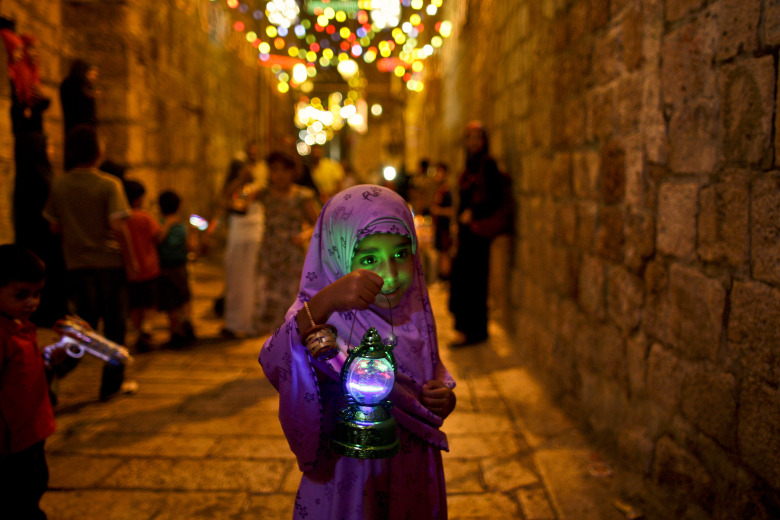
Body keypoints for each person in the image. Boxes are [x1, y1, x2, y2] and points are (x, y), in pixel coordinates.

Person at [259, 184, 456, 519]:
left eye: (400, 254)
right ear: (337, 254)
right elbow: (276, 358)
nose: (390, 275)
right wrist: (325, 301)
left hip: (411, 466)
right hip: (347, 472)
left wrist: (441, 398)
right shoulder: (321, 317)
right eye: (368, 258)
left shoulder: (414, 312)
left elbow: (428, 372)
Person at [42, 125, 138, 400]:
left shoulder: (59, 184)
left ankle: (55, 370)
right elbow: (119, 227)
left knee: (83, 327)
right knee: (115, 325)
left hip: (76, 266)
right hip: (109, 265)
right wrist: (131, 262)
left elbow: (54, 227)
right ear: (98, 152)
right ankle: (111, 384)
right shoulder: (109, 185)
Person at [0, 244, 59, 519]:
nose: (32, 303)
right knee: (18, 498)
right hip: (12, 442)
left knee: (34, 485)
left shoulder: (19, 325)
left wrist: (57, 354)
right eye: (21, 295)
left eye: (37, 295)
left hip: (32, 432)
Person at [449, 121, 513, 347]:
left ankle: (475, 332)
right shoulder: (470, 165)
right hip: (467, 233)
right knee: (464, 281)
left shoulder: (487, 164)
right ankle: (467, 330)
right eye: (470, 137)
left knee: (474, 282)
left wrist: (473, 213)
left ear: (484, 141)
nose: (473, 142)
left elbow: (492, 197)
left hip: (477, 234)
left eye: (478, 137)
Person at [253, 152, 319, 335]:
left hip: (291, 252)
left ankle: (290, 334)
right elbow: (233, 202)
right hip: (270, 250)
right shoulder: (263, 194)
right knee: (268, 292)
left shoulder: (302, 196)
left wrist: (304, 235)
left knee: (291, 295)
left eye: (284, 170)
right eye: (274, 170)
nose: (279, 175)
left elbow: (318, 222)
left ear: (293, 172)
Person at [221, 141, 267, 337]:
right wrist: (239, 180)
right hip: (238, 234)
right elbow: (225, 200)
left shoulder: (259, 188)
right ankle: (233, 320)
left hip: (252, 235)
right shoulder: (237, 186)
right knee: (235, 277)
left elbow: (251, 204)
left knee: (250, 279)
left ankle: (247, 321)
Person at [119, 180, 161, 352]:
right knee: (149, 303)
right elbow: (157, 236)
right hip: (149, 268)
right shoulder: (145, 217)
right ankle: (147, 329)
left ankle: (138, 331)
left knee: (134, 304)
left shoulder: (121, 219)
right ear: (138, 199)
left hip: (129, 270)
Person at [157, 190, 195, 349]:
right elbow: (191, 246)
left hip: (165, 268)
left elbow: (157, 241)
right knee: (183, 298)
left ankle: (175, 332)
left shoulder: (159, 224)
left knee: (171, 302)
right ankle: (187, 325)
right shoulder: (182, 226)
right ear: (179, 206)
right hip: (180, 267)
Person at [59, 59, 98, 170]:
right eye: (91, 73)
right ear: (83, 72)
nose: (94, 77)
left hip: (87, 133)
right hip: (76, 132)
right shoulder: (70, 86)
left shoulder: (86, 88)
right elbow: (76, 109)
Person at [430, 162, 454, 280]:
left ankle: (445, 278)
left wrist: (437, 211)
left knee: (445, 253)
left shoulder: (446, 191)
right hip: (439, 226)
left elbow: (451, 211)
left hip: (444, 226)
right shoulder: (439, 190)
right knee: (440, 252)